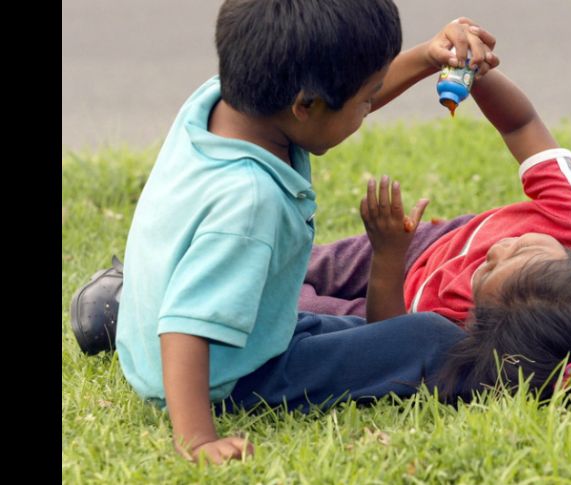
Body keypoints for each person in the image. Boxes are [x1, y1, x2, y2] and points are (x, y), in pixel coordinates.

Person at [68, 0, 501, 464]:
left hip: (248, 336)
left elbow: (339, 96)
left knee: (382, 330)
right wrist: (197, 438)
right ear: (305, 106)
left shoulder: (222, 103)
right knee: (431, 340)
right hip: (228, 376)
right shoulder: (248, 202)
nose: (368, 109)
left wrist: (428, 56)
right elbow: (185, 324)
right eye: (366, 101)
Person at [299, 67, 571, 422]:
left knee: (299, 310)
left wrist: (388, 254)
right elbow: (522, 124)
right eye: (522, 247)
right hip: (433, 245)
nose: (496, 251)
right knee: (303, 263)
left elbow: (389, 337)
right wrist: (478, 76)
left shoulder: (455, 332)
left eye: (487, 273)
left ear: (479, 322)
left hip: (399, 299)